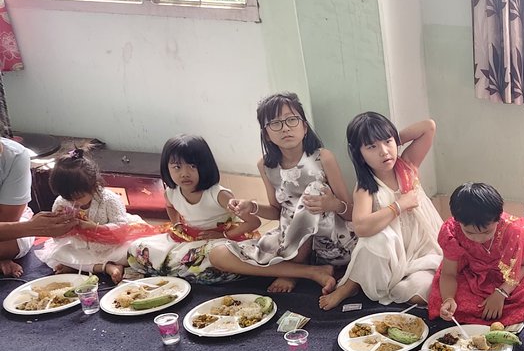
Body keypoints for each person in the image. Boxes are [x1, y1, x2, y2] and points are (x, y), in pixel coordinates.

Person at [210, 92, 355, 294]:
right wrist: (251, 206)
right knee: (217, 254)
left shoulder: (323, 157)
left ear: (304, 127)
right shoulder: (266, 165)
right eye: (275, 123)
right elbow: (276, 211)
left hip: (329, 242)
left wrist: (332, 204)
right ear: (266, 133)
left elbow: (350, 213)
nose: (285, 127)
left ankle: (292, 270)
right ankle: (309, 271)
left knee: (313, 192)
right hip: (287, 239)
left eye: (292, 120)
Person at [320, 113, 443, 311]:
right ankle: (350, 286)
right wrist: (399, 206)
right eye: (372, 147)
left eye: (388, 142)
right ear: (359, 154)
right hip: (389, 256)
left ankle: (398, 283)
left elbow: (429, 126)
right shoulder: (366, 186)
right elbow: (360, 227)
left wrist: (392, 139)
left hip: (422, 250)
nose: (384, 152)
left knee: (424, 291)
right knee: (377, 238)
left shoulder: (407, 165)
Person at [127, 135, 260, 283]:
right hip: (189, 239)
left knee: (217, 256)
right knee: (137, 248)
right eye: (177, 167)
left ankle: (190, 270)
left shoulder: (219, 194)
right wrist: (176, 224)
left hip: (221, 240)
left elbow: (253, 222)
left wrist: (224, 235)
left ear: (206, 166)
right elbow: (170, 207)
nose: (184, 174)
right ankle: (190, 270)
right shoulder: (171, 193)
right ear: (167, 168)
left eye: (193, 166)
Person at [428, 182, 524, 326]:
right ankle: (505, 315)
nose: (478, 238)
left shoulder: (513, 230)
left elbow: (523, 267)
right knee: (442, 295)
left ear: (498, 219)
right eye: (469, 232)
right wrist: (448, 299)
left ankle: (490, 312)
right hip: (471, 275)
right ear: (457, 221)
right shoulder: (451, 231)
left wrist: (501, 293)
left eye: (486, 232)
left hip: (508, 277)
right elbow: (449, 273)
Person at [35, 148, 157, 283]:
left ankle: (82, 267)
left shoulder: (109, 199)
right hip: (82, 248)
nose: (73, 202)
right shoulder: (61, 202)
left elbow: (121, 227)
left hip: (113, 246)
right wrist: (61, 225)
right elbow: (57, 238)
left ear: (93, 186)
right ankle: (105, 267)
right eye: (67, 197)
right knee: (58, 254)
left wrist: (94, 227)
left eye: (79, 197)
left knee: (138, 250)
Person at [0, 135, 75, 277]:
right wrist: (30, 228)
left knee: (12, 242)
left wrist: (27, 228)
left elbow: (7, 220)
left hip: (8, 230)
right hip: (14, 230)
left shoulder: (14, 155)